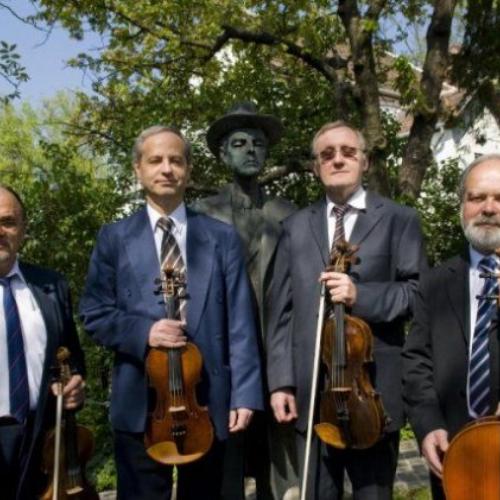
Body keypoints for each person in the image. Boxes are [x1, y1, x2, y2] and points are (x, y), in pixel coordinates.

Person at [79, 125, 263, 499]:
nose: (167, 169)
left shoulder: (221, 237)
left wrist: (245, 394)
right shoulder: (114, 237)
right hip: (142, 404)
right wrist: (143, 332)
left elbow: (241, 322)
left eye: (176, 160)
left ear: (188, 170)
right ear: (138, 169)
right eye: (155, 160)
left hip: (208, 401)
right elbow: (94, 312)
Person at [266, 121, 426, 499]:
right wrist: (281, 382)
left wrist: (361, 295)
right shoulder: (293, 227)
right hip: (313, 395)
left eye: (348, 152)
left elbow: (417, 295)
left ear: (365, 162)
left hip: (371, 396)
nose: (337, 160)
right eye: (327, 154)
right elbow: (280, 311)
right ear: (315, 166)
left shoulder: (400, 220)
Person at [193, 101, 297, 500]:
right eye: (239, 143)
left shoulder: (290, 215)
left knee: (284, 475)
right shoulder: (200, 216)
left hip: (278, 361)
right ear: (223, 155)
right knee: (225, 475)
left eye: (258, 143)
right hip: (224, 365)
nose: (250, 150)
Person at [403, 154, 500, 499]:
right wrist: (428, 426)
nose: (488, 208)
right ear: (462, 206)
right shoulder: (434, 282)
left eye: (499, 198)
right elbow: (417, 361)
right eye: (477, 197)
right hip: (456, 453)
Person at [0, 185, 85, 500]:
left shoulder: (51, 284)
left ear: (23, 229)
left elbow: (71, 355)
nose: (0, 231)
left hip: (42, 437)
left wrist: (76, 383)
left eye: (8, 222)